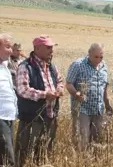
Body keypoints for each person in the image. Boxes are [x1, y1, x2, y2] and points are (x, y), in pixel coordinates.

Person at [15, 35, 64, 167]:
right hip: (32, 119)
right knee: (26, 153)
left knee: (44, 152)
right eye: (48, 47)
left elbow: (59, 81)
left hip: (50, 117)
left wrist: (59, 90)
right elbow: (23, 89)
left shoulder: (51, 66)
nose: (51, 50)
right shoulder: (25, 66)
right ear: (37, 48)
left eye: (52, 47)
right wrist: (45, 94)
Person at [66, 43, 113, 150]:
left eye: (101, 56)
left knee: (96, 140)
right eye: (96, 56)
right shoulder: (78, 64)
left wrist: (107, 104)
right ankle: (80, 160)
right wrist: (76, 93)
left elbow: (104, 87)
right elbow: (68, 83)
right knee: (82, 139)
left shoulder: (104, 66)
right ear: (89, 53)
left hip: (98, 108)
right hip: (82, 108)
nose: (99, 59)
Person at [0, 33, 16, 167]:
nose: (11, 50)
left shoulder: (5, 65)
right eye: (7, 47)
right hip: (0, 118)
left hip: (9, 117)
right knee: (7, 159)